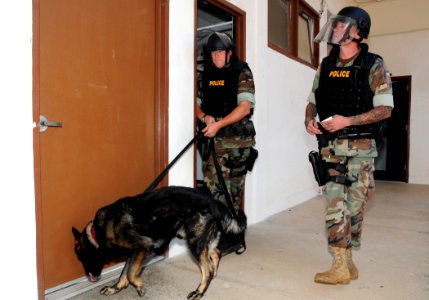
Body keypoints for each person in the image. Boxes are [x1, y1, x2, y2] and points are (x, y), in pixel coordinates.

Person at [304, 7, 393, 284]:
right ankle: (339, 264)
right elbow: (312, 101)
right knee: (335, 206)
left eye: (343, 24)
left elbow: (385, 110)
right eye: (337, 23)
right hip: (330, 149)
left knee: (355, 208)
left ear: (358, 32)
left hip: (361, 149)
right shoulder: (326, 65)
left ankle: (348, 260)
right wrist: (309, 119)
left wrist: (347, 121)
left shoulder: (373, 63)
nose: (337, 28)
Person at [196, 32, 257, 254]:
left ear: (229, 53)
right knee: (214, 191)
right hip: (213, 143)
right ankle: (220, 235)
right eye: (213, 53)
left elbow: (244, 108)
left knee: (233, 191)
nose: (216, 57)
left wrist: (219, 125)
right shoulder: (205, 75)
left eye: (220, 52)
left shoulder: (241, 71)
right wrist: (205, 117)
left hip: (237, 143)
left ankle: (236, 236)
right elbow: (196, 103)